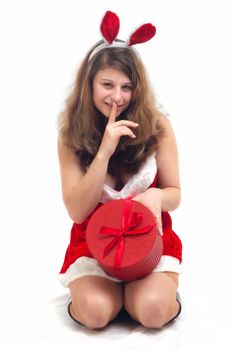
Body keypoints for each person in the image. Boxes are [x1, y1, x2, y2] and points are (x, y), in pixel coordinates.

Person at [57, 11, 182, 330]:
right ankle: (107, 297)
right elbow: (77, 210)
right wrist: (104, 151)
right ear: (90, 85)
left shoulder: (158, 127)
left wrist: (155, 197)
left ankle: (145, 296)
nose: (117, 97)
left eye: (126, 87)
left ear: (137, 89)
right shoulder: (70, 134)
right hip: (94, 247)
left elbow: (175, 195)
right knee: (96, 315)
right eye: (107, 85)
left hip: (149, 243)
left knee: (153, 312)